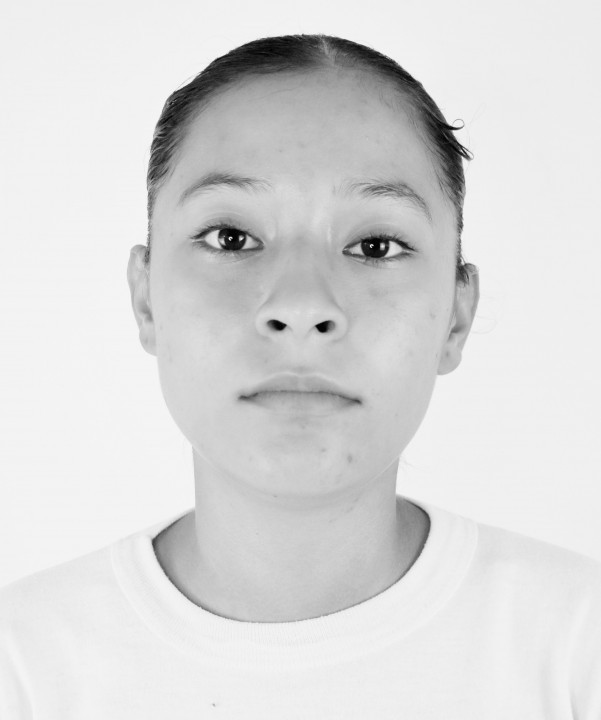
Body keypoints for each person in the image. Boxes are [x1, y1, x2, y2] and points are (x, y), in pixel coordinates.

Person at [1, 33, 600, 718]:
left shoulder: (576, 647)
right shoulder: (23, 667)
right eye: (232, 238)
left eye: (375, 245)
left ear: (456, 317)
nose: (302, 305)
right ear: (146, 300)